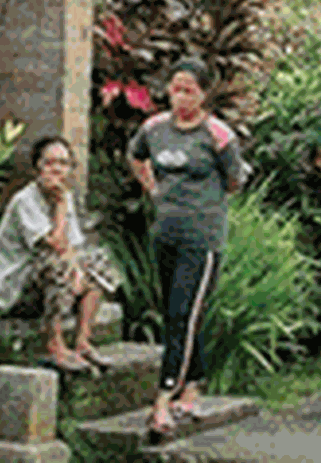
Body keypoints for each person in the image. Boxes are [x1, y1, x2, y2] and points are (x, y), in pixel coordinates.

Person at [127, 57, 245, 438]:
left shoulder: (218, 135)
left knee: (182, 315)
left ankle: (162, 403)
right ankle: (191, 388)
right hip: (165, 235)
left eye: (189, 90)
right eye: (175, 89)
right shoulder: (154, 128)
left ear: (204, 93)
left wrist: (203, 204)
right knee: (177, 314)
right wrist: (153, 189)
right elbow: (136, 156)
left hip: (202, 240)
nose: (180, 97)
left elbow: (234, 180)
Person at [0, 136, 121, 372]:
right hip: (13, 290)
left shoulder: (64, 196)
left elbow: (73, 246)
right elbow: (54, 245)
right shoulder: (25, 200)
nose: (57, 169)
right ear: (38, 166)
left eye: (64, 163)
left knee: (99, 263)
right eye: (50, 163)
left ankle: (82, 342)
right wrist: (60, 210)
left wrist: (79, 271)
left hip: (41, 283)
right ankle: (54, 346)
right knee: (57, 265)